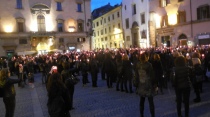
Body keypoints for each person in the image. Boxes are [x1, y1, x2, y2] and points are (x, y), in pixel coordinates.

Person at [135, 52, 157, 117]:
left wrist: (136, 84)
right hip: (148, 85)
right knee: (150, 102)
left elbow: (136, 75)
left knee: (142, 101)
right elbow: (152, 76)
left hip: (141, 84)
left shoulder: (138, 64)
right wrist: (154, 84)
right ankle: (152, 115)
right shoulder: (149, 65)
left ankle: (141, 115)